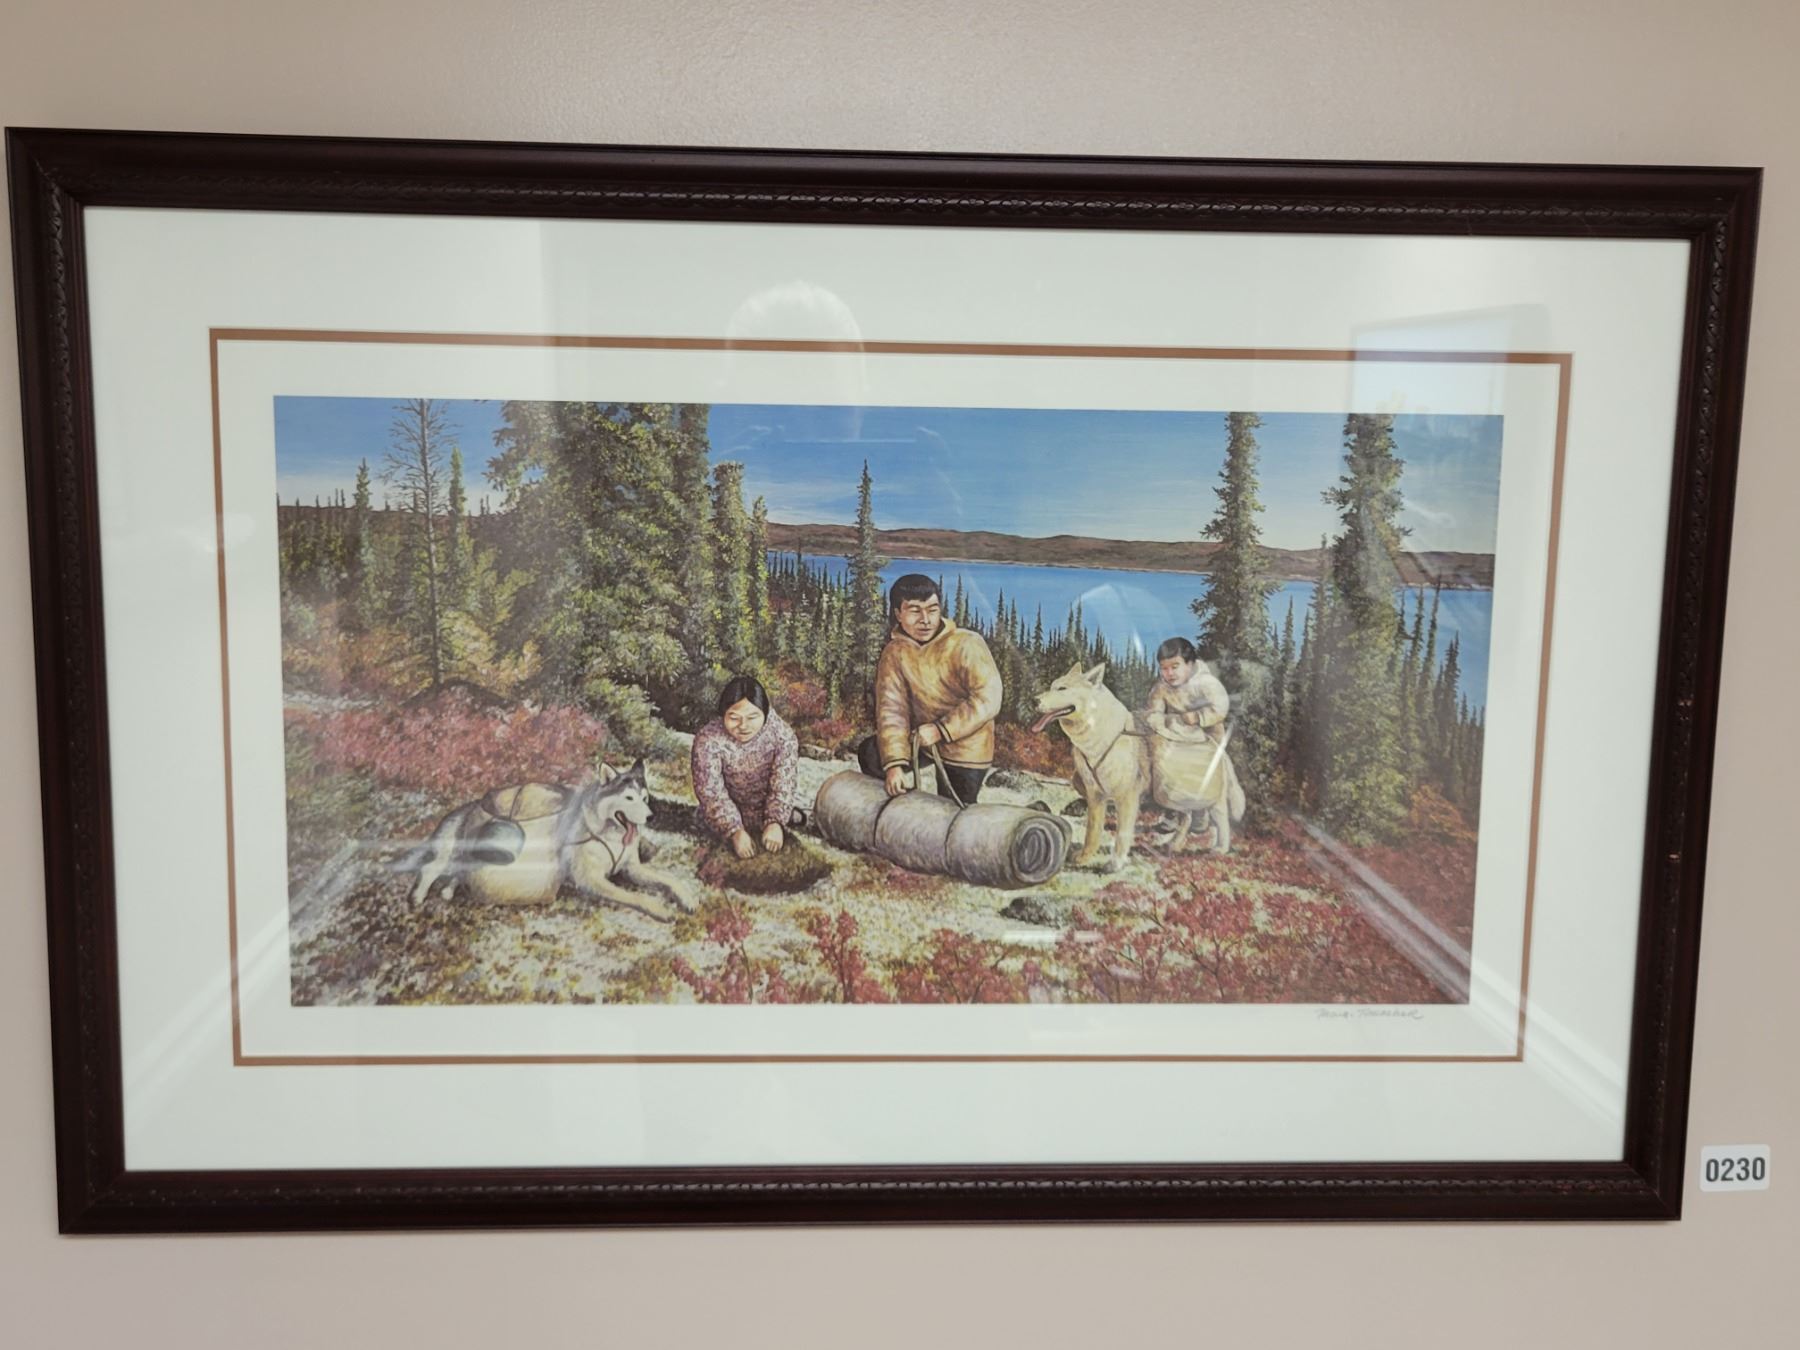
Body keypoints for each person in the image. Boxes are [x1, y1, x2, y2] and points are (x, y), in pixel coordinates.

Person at [856, 573, 1003, 804]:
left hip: (965, 745)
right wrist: (894, 764)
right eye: (915, 611)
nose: (925, 620)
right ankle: (891, 812)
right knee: (872, 754)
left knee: (951, 811)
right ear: (898, 614)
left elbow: (988, 698)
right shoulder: (895, 652)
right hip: (921, 740)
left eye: (932, 610)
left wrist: (941, 730)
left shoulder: (967, 643)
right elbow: (892, 710)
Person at [690, 675, 802, 860]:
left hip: (766, 809)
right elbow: (710, 791)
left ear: (765, 713)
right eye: (734, 718)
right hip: (723, 811)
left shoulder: (782, 735)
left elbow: (784, 782)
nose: (743, 726)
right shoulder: (708, 740)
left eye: (752, 717)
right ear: (723, 714)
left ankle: (781, 819)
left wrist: (775, 822)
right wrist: (734, 830)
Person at [1145, 637, 1230, 744]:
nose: (1169, 673)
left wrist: (1198, 716)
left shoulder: (1206, 682)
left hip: (1208, 738)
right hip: (1174, 736)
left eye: (1174, 667)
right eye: (1164, 668)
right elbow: (1154, 710)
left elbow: (1220, 707)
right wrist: (1156, 720)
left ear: (1190, 664)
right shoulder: (1161, 687)